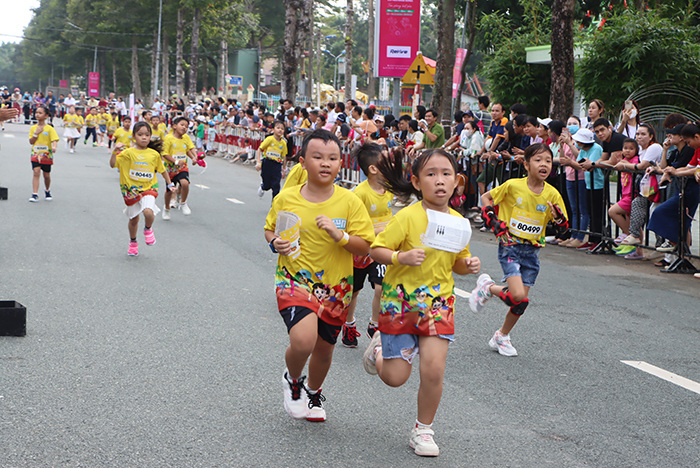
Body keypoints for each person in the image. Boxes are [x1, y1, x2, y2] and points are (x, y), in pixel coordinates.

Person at [363, 148, 481, 457]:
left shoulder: (459, 223)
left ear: (458, 182)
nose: (439, 181)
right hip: (399, 305)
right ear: (416, 182)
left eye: (446, 174)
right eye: (431, 174)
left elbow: (457, 261)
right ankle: (378, 348)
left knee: (433, 370)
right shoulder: (407, 217)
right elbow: (376, 250)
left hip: (438, 305)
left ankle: (423, 429)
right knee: (395, 377)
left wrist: (466, 266)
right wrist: (400, 257)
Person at [263, 129, 375, 422]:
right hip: (294, 279)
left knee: (324, 350)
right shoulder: (287, 198)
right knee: (303, 340)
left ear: (341, 163)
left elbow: (365, 244)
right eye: (317, 157)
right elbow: (270, 228)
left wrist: (340, 236)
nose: (326, 163)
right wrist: (274, 241)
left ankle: (313, 392)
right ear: (302, 162)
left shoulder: (350, 202)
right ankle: (293, 379)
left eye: (333, 158)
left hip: (337, 287)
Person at [470, 143, 568, 357]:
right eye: (538, 160)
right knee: (517, 296)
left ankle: (501, 335)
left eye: (548, 161)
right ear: (526, 164)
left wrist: (559, 219)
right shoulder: (513, 186)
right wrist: (493, 220)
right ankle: (489, 287)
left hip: (532, 252)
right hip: (510, 246)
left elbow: (563, 229)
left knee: (520, 303)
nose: (544, 165)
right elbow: (487, 197)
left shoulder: (552, 194)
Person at [340, 143, 394, 348]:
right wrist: (378, 230)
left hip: (379, 250)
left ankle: (374, 324)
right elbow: (353, 225)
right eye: (386, 162)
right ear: (373, 169)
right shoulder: (359, 194)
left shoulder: (389, 189)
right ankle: (349, 323)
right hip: (360, 250)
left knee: (381, 287)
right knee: (353, 291)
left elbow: (390, 216)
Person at [109, 121, 175, 256]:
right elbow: (113, 164)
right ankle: (133, 242)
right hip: (132, 191)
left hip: (149, 188)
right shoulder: (127, 153)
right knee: (133, 219)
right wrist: (114, 152)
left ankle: (148, 228)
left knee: (148, 212)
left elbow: (162, 171)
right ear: (134, 136)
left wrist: (170, 184)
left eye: (147, 135)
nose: (144, 137)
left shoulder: (154, 154)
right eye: (140, 135)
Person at [647, 124, 700, 256]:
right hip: (683, 190)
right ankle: (676, 246)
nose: (689, 145)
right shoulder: (694, 150)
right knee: (675, 218)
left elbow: (694, 169)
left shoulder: (690, 150)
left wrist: (675, 172)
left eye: (689, 141)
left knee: (677, 218)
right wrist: (672, 170)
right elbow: (689, 168)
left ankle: (677, 246)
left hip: (691, 191)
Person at [620, 124, 664, 257]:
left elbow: (641, 165)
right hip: (647, 188)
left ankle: (660, 247)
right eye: (638, 134)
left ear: (651, 136)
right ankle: (634, 235)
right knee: (637, 204)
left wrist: (624, 165)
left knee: (656, 214)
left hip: (660, 187)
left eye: (643, 134)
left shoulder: (654, 147)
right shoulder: (641, 150)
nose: (639, 137)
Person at [161, 116, 197, 218]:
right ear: (174, 126)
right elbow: (165, 154)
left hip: (182, 167)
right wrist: (175, 161)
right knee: (170, 190)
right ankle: (167, 208)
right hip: (170, 169)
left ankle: (183, 202)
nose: (184, 128)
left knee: (185, 183)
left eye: (186, 126)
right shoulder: (168, 138)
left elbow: (189, 149)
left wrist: (194, 157)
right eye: (182, 125)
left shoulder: (186, 138)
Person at [608, 138, 640, 243]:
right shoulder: (624, 161)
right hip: (625, 194)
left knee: (612, 211)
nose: (627, 151)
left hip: (632, 195)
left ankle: (627, 234)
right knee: (632, 222)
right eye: (625, 148)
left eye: (631, 148)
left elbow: (633, 167)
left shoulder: (635, 160)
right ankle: (636, 250)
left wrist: (622, 162)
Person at [28, 105, 59, 202]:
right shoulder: (33, 128)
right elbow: (31, 142)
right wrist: (36, 133)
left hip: (46, 154)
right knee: (36, 172)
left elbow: (54, 139)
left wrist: (54, 147)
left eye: (40, 113)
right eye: (36, 112)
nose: (37, 114)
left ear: (46, 115)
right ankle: (35, 194)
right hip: (36, 154)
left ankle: (47, 190)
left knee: (46, 175)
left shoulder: (49, 128)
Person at [256, 121, 288, 200]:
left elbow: (284, 156)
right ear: (273, 130)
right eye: (278, 128)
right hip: (267, 163)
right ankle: (263, 186)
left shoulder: (283, 143)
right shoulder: (269, 139)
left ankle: (274, 205)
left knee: (276, 185)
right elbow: (259, 149)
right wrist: (258, 162)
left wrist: (284, 169)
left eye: (282, 129)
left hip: (277, 165)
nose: (280, 130)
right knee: (267, 185)